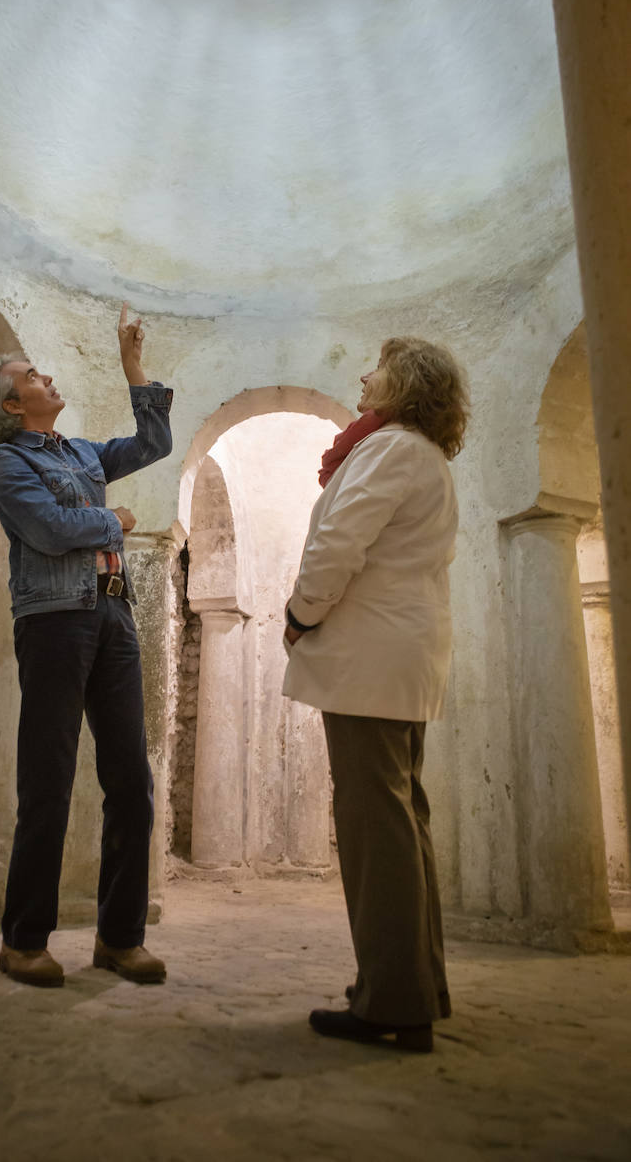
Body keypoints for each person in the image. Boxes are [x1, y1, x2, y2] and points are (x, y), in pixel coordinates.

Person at [0, 305, 173, 988]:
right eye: (33, 375)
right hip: (56, 620)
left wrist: (132, 366)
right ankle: (24, 940)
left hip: (114, 618)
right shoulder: (6, 463)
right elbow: (53, 531)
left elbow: (152, 445)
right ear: (10, 401)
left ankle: (120, 939)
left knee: (132, 782)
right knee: (49, 782)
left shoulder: (82, 453)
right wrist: (110, 520)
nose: (48, 377)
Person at [283, 336, 468, 1053]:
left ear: (406, 385)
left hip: (371, 658)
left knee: (375, 828)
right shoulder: (419, 454)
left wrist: (301, 614)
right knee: (400, 821)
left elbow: (338, 542)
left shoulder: (392, 448)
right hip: (398, 658)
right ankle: (415, 993)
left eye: (378, 368)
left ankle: (391, 1001)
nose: (364, 374)